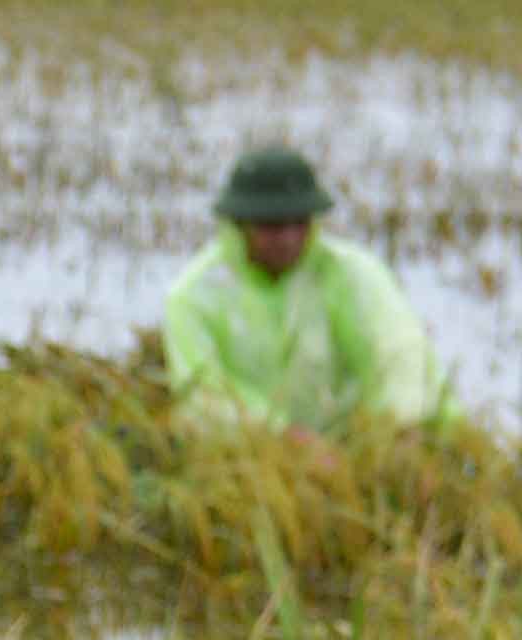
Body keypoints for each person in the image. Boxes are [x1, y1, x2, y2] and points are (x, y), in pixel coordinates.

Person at [161, 143, 451, 436]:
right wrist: (284, 436)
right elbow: (202, 398)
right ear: (240, 224)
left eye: (299, 223)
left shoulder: (352, 274)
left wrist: (401, 428)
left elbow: (399, 353)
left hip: (353, 439)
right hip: (252, 446)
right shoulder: (194, 296)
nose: (288, 238)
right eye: (272, 226)